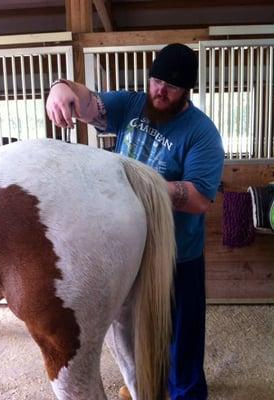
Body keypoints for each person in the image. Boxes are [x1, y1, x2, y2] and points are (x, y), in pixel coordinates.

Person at [46, 43, 224, 400]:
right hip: (130, 246)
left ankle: (187, 393)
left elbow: (200, 198)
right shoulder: (131, 104)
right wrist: (62, 87)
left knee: (181, 334)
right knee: (129, 323)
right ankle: (143, 382)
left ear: (185, 90)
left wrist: (140, 186)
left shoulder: (202, 132)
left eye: (170, 86)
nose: (159, 91)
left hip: (177, 253)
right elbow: (87, 102)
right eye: (156, 80)